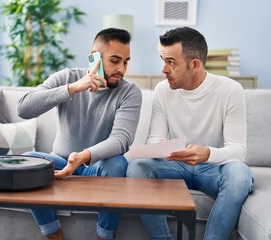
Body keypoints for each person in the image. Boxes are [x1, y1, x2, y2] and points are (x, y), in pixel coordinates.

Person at [126, 27, 254, 240]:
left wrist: (207, 154)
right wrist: (165, 149)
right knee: (137, 167)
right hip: (176, 166)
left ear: (194, 64)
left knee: (240, 175)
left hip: (214, 169)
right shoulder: (162, 91)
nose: (163, 69)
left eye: (171, 62)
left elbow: (238, 150)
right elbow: (154, 140)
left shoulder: (230, 90)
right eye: (163, 60)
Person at [17, 28, 142, 240]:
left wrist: (84, 156)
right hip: (60, 162)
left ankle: (104, 236)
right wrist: (72, 88)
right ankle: (53, 233)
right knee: (27, 161)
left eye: (126, 61)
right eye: (115, 60)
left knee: (117, 163)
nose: (122, 68)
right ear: (95, 57)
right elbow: (23, 108)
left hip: (95, 166)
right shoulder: (68, 77)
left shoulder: (129, 92)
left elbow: (121, 140)